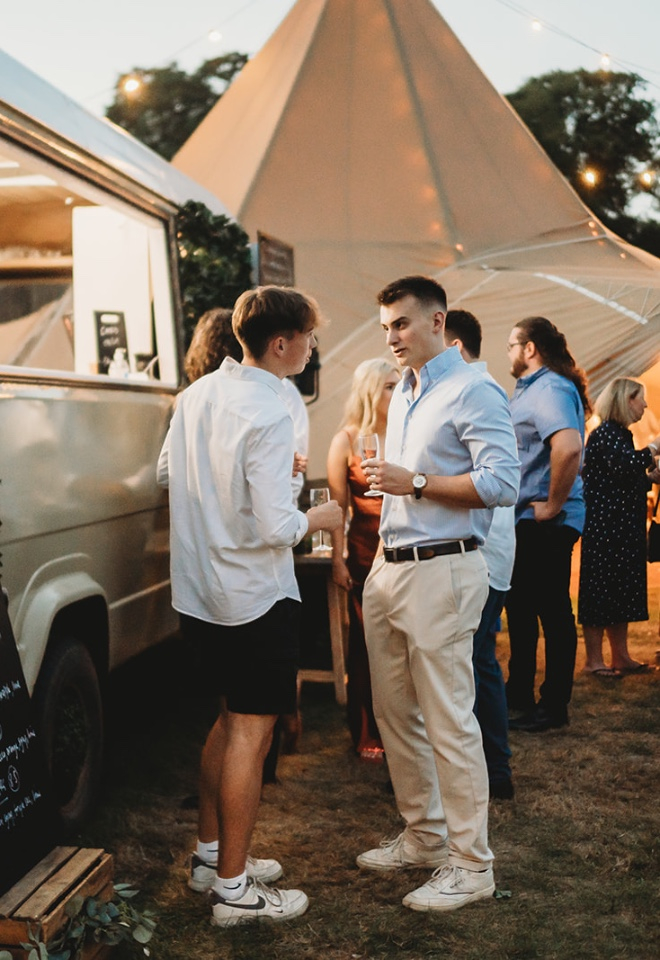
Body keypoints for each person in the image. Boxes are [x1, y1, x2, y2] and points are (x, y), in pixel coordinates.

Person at [157, 285, 342, 927]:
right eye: (309, 338)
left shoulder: (196, 394)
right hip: (253, 595)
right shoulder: (270, 409)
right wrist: (318, 515)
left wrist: (259, 481)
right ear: (282, 342)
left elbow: (168, 474)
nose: (312, 349)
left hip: (200, 591)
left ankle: (211, 858)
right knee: (251, 733)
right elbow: (276, 528)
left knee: (229, 720)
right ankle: (234, 892)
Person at [357, 276, 520, 913]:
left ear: (436, 321)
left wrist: (417, 481)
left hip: (445, 568)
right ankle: (424, 836)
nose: (391, 338)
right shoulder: (404, 390)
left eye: (400, 323)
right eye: (385, 328)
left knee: (450, 719)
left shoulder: (474, 387)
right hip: (390, 568)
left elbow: (502, 484)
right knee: (395, 712)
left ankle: (472, 864)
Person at [505, 316, 590, 733]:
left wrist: (553, 505)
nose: (508, 353)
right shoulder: (531, 389)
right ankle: (518, 693)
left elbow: (569, 447)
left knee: (552, 612)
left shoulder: (551, 388)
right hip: (525, 519)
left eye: (511, 345)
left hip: (545, 521)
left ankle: (553, 706)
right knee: (521, 610)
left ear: (530, 348)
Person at [444, 309, 515, 800]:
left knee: (474, 658)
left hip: (483, 552)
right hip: (483, 551)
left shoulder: (476, 392)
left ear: (453, 346)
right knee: (475, 657)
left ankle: (493, 770)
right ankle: (490, 768)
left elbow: (497, 483)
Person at [326, 358, 400, 761]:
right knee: (366, 644)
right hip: (364, 553)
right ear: (371, 392)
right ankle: (367, 729)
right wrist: (338, 559)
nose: (398, 391)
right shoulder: (346, 440)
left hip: (404, 549)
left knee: (402, 644)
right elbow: (337, 509)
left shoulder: (406, 433)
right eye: (389, 386)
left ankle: (404, 729)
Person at [578, 378, 660, 676]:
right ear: (626, 400)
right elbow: (623, 465)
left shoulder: (619, 435)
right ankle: (594, 661)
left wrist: (649, 478)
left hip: (620, 528)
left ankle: (620, 657)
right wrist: (654, 447)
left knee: (618, 591)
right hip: (606, 529)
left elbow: (620, 476)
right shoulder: (605, 434)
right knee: (600, 591)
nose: (645, 405)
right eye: (641, 399)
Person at [185, 307, 309, 503]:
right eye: (309, 335)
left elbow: (166, 472)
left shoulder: (190, 395)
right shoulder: (280, 394)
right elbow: (288, 486)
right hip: (262, 516)